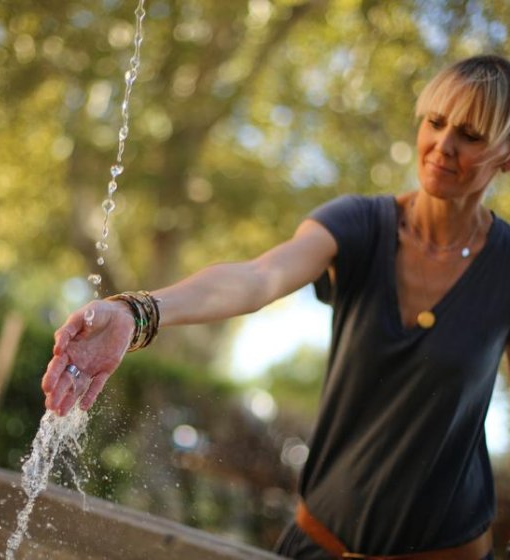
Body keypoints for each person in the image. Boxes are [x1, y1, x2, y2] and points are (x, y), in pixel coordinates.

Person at [42, 55, 510, 560]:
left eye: (470, 134)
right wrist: (138, 312)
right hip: (319, 544)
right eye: (435, 122)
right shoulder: (360, 224)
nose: (443, 145)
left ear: (505, 155)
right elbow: (258, 277)